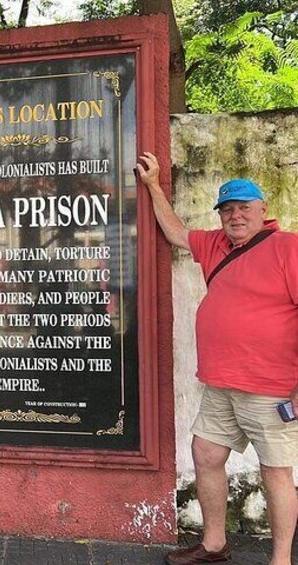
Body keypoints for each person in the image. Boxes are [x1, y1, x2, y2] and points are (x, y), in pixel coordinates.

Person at [137, 152, 297, 565]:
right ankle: (213, 545)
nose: (235, 216)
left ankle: (280, 560)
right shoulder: (214, 244)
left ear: (263, 210)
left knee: (275, 473)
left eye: (244, 208)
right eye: (227, 209)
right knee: (206, 455)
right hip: (220, 384)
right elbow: (175, 232)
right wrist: (153, 184)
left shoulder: (287, 248)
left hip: (272, 389)